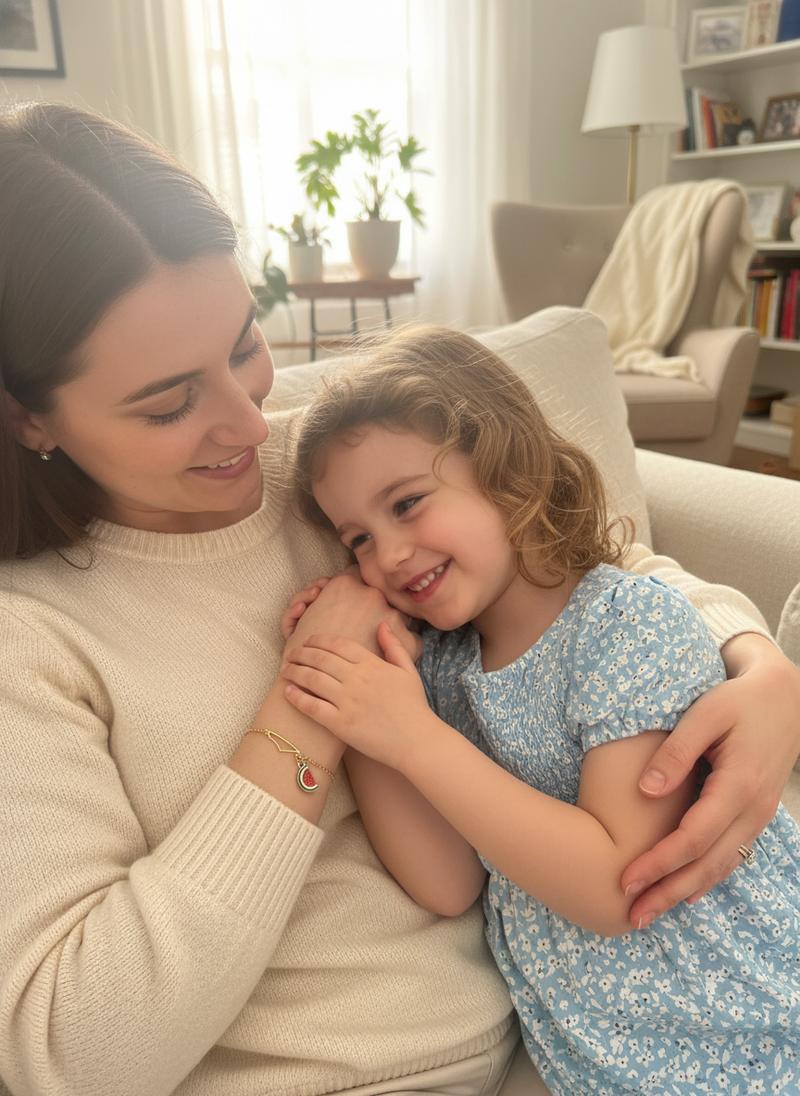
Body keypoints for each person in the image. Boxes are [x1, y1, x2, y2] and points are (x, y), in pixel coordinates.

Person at [0, 100, 797, 1096]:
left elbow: (583, 561)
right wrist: (312, 706)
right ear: (29, 413)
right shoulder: (28, 638)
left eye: (247, 343)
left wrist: (753, 663)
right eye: (169, 401)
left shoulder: (325, 470)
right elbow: (73, 1057)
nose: (249, 420)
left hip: (563, 1038)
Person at [281, 326, 800, 1094]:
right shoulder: (446, 670)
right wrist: (362, 706)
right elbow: (448, 882)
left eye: (408, 503)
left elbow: (615, 884)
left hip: (742, 1020)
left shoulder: (625, 624)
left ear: (506, 470)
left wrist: (412, 736)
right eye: (358, 538)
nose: (386, 555)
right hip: (605, 1058)